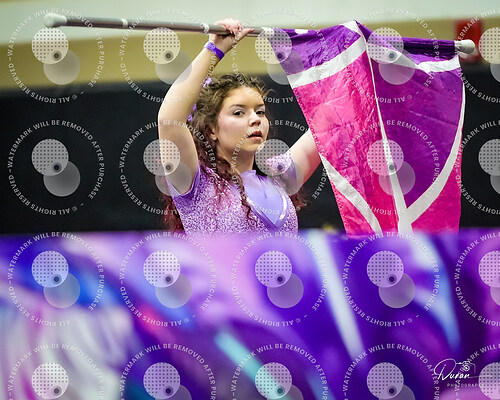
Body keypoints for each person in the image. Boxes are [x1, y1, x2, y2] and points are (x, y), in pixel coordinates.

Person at [158, 18, 321, 235]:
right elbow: (168, 121)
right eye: (238, 113)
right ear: (211, 130)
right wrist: (214, 49)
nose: (255, 119)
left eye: (260, 111)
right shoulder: (195, 184)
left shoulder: (279, 176)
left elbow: (329, 124)